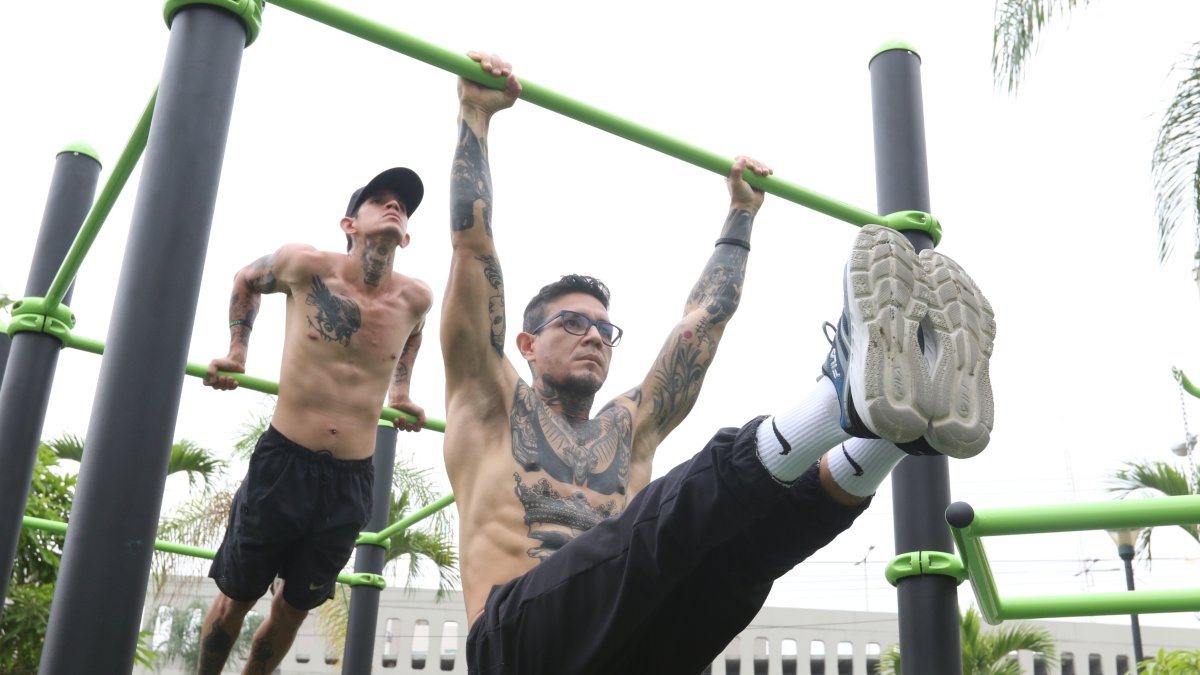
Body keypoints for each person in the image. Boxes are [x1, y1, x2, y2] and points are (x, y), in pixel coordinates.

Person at [444, 53, 995, 675]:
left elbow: (701, 323)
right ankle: (834, 400)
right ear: (525, 343)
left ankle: (889, 434)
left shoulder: (628, 429)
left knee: (742, 556)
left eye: (604, 328)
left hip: (637, 650)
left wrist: (741, 215)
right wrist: (475, 114)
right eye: (572, 323)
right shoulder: (488, 404)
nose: (593, 336)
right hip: (520, 648)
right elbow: (473, 247)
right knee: (659, 528)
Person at [194, 168, 433, 674]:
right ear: (350, 223)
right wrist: (238, 352)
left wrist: (403, 391)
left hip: (350, 481)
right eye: (380, 200)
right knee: (236, 598)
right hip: (283, 464)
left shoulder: (415, 298)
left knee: (293, 610)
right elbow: (244, 278)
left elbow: (414, 333)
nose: (394, 206)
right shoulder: (303, 264)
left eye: (402, 206)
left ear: (407, 236)